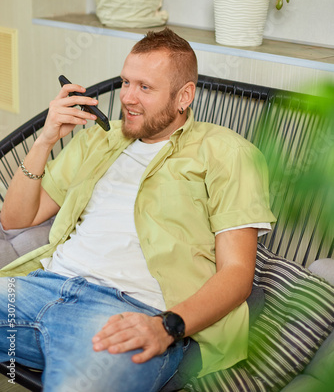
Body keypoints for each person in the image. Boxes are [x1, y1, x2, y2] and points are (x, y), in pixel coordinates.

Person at [0, 28, 276, 392]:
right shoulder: (100, 137)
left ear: (184, 96)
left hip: (127, 314)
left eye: (145, 87)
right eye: (126, 82)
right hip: (42, 288)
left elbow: (238, 273)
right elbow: (15, 219)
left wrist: (166, 327)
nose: (127, 97)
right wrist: (46, 138)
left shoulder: (228, 153)